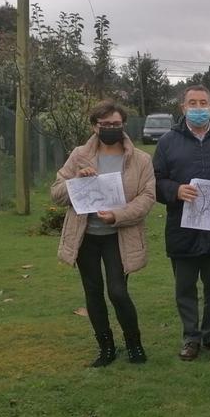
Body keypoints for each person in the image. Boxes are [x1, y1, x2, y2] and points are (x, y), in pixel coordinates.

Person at [51, 100, 156, 367]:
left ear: (124, 124)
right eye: (105, 124)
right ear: (95, 127)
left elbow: (147, 198)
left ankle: (134, 344)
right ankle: (106, 347)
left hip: (118, 236)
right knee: (93, 292)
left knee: (118, 292)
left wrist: (118, 215)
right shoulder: (78, 156)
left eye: (116, 124)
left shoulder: (141, 160)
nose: (111, 128)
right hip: (86, 236)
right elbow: (57, 193)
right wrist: (77, 180)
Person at [154, 84, 210, 361]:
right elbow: (154, 182)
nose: (198, 108)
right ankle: (191, 337)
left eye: (204, 102)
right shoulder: (167, 142)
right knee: (185, 286)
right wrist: (174, 191)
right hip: (182, 226)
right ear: (183, 107)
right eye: (193, 103)